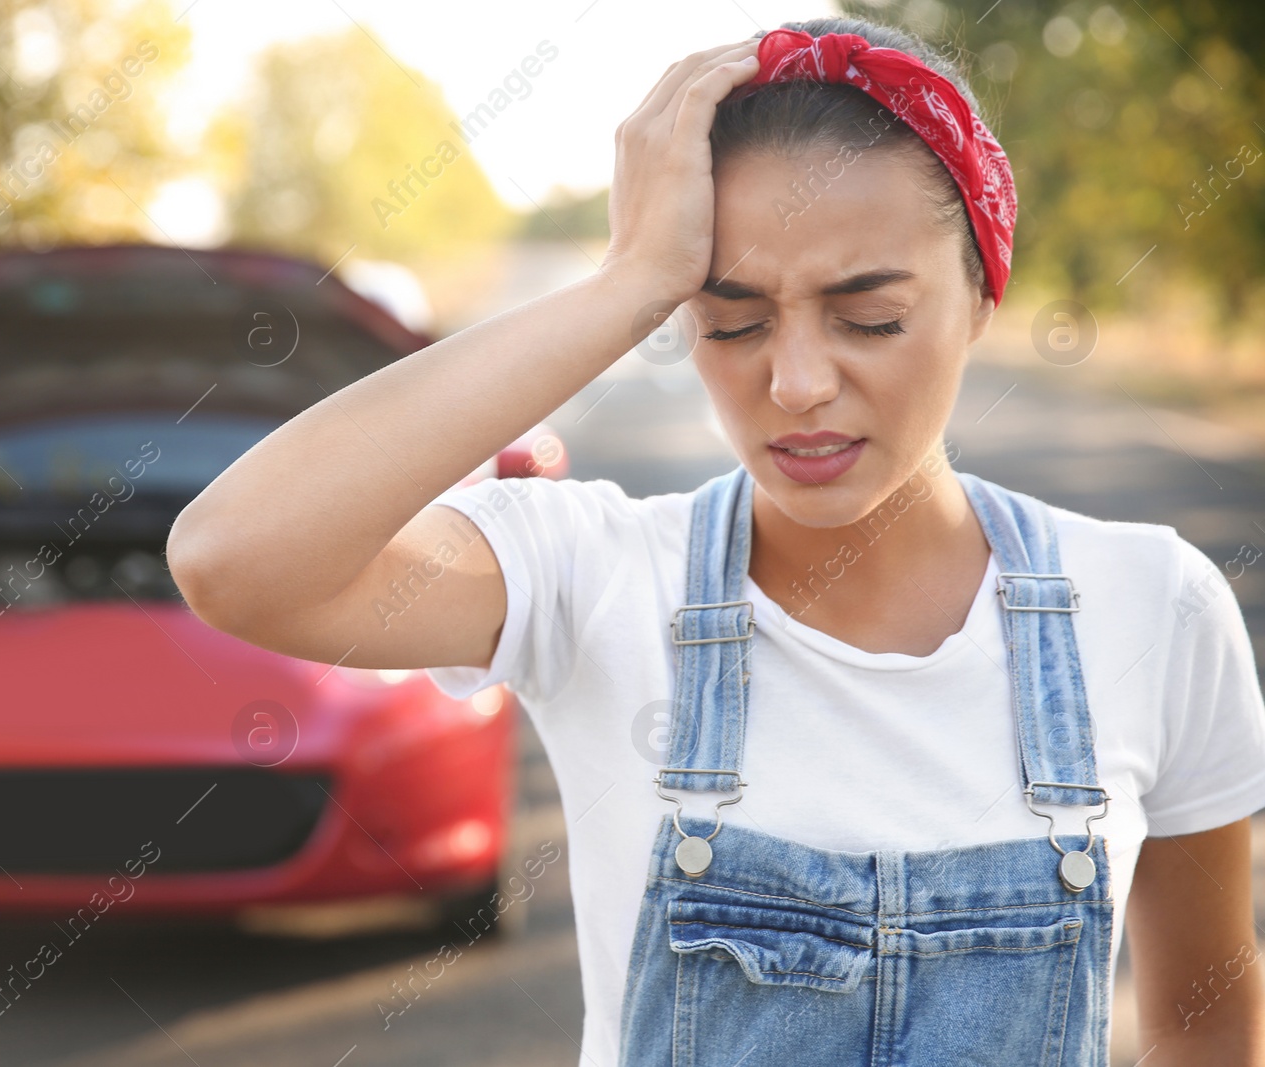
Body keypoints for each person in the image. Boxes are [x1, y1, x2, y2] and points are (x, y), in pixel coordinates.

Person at [166, 15, 1265, 1066]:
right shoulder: (590, 575)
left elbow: (1207, 1023)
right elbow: (236, 557)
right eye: (728, 320)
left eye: (868, 318)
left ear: (981, 296)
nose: (794, 383)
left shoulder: (1151, 606)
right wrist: (626, 282)